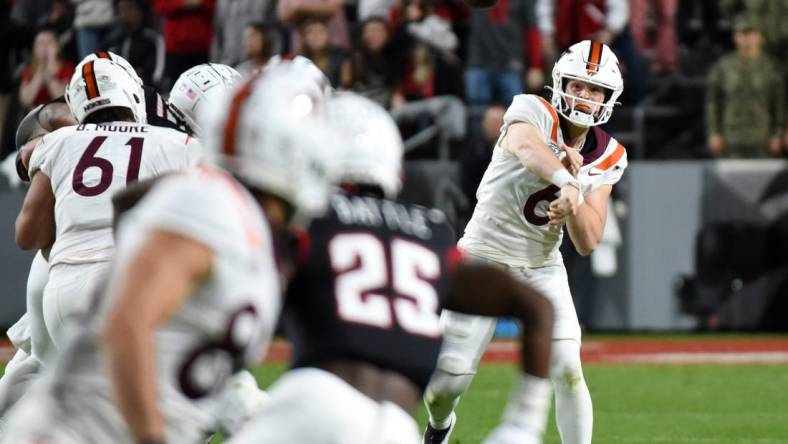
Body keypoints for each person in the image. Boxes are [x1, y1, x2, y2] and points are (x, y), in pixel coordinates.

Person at [1, 62, 338, 444]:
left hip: (64, 266)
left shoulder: (183, 155)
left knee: (42, 372)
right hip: (102, 268)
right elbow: (128, 319)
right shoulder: (201, 182)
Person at [228, 92, 555, 444]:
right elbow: (536, 306)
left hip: (316, 399)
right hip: (396, 427)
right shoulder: (430, 230)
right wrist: (522, 425)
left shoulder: (309, 220)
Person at [422, 40, 627, 444]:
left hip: (541, 265)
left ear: (609, 98)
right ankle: (440, 428)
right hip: (482, 254)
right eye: (577, 85)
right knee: (447, 381)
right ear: (560, 83)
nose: (584, 96)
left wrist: (579, 195)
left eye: (594, 89)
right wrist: (566, 179)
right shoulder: (532, 109)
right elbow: (528, 149)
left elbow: (587, 241)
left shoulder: (610, 155)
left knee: (568, 368)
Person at [13, 56, 200, 356]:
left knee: (52, 375)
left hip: (63, 294)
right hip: (134, 287)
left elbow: (27, 236)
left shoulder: (58, 142)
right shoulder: (182, 145)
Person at [705, 14, 785, 158]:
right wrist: (714, 132)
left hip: (762, 138)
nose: (747, 39)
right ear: (735, 37)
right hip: (731, 138)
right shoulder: (723, 67)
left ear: (761, 37)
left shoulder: (772, 68)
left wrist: (778, 133)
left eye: (752, 34)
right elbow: (713, 103)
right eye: (742, 34)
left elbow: (780, 104)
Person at [18, 26, 74, 112]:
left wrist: (48, 73)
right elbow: (25, 100)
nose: (45, 47)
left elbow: (63, 98)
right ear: (34, 49)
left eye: (49, 42)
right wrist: (40, 70)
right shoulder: (29, 71)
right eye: (40, 43)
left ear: (58, 47)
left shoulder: (67, 67)